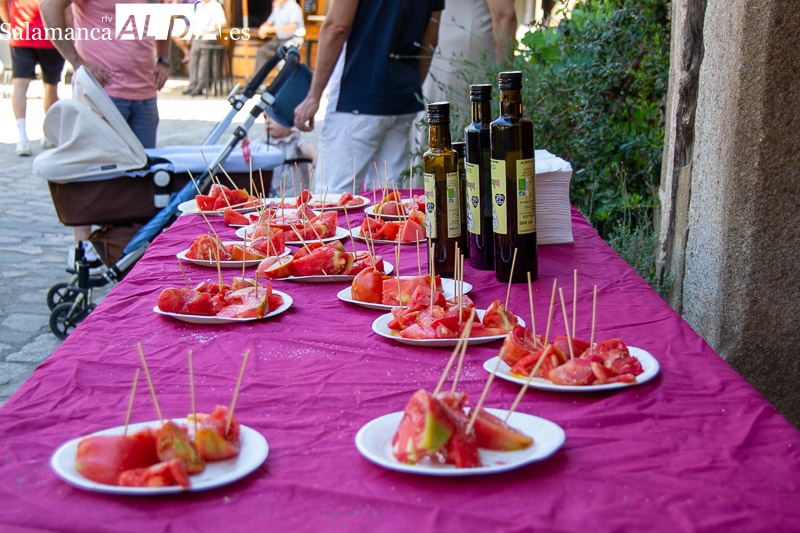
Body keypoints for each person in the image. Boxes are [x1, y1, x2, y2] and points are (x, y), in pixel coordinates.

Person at [40, 0, 170, 269]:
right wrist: (76, 62)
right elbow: (49, 7)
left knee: (141, 178)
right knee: (93, 169)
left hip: (144, 92)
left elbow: (160, 15)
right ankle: (83, 246)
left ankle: (127, 246)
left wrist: (163, 58)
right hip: (102, 93)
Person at [293, 0, 444, 194]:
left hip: (357, 96)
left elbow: (336, 26)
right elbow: (431, 39)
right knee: (387, 201)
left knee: (334, 197)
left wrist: (313, 97)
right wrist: (410, 85)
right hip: (401, 97)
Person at [410, 0, 517, 168]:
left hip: (438, 46)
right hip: (468, 52)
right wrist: (507, 84)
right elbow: (505, 15)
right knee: (468, 135)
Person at [0, 0, 65, 156]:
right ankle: (40, 135)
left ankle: (23, 138)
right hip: (48, 36)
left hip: (25, 34)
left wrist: (11, 24)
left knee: (22, 86)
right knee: (50, 86)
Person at [256, 114, 318, 197]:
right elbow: (252, 152)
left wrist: (314, 155)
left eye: (274, 117)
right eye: (265, 117)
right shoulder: (262, 142)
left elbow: (306, 147)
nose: (268, 121)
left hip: (296, 193)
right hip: (274, 192)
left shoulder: (295, 139)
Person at [182, 0, 227, 96]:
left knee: (203, 58)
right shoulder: (199, 5)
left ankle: (201, 86)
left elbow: (223, 23)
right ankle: (192, 84)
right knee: (193, 57)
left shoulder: (216, 6)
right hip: (197, 36)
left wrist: (209, 31)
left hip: (209, 36)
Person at [253, 0, 304, 74]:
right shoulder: (277, 7)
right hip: (279, 39)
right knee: (262, 51)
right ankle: (257, 83)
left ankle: (282, 84)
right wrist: (262, 29)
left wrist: (271, 29)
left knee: (282, 58)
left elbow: (292, 28)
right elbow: (268, 23)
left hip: (293, 39)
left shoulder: (294, 7)